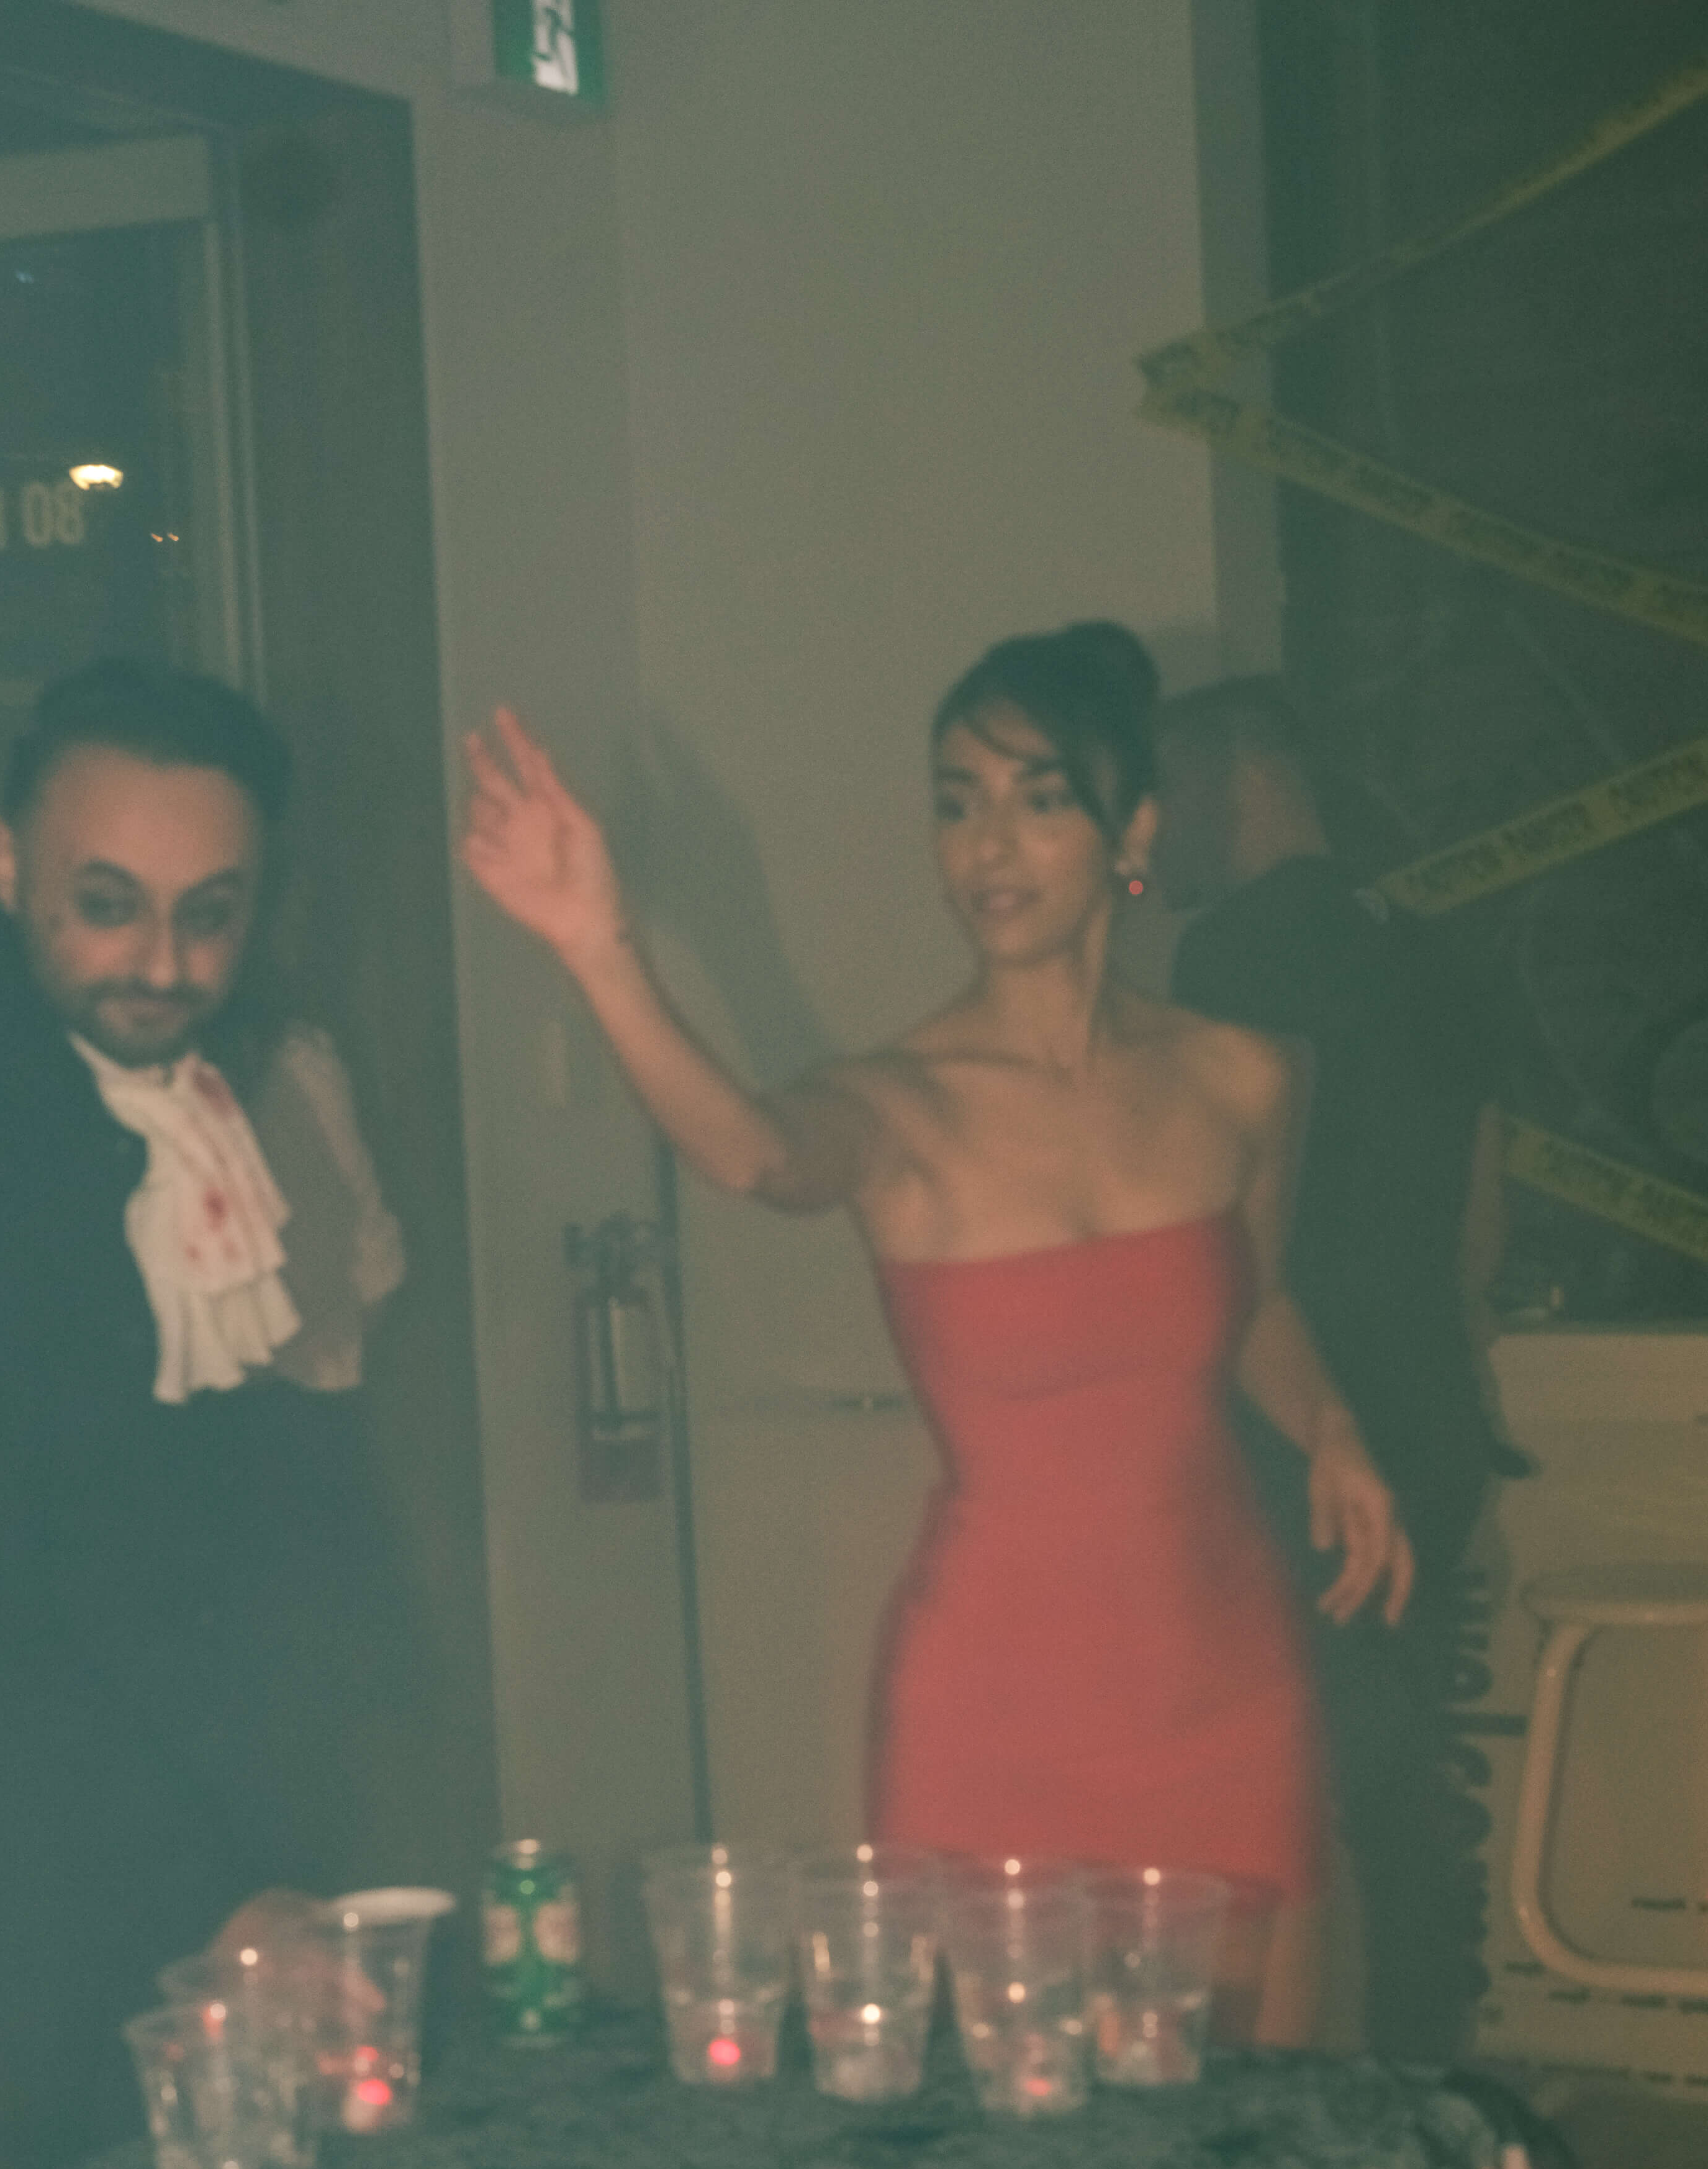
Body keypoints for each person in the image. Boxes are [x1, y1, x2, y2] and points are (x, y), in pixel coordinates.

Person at [461, 622, 1412, 2044]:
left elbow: (1251, 1300)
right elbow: (752, 1153)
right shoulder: (896, 1104)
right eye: (955, 803)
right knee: (1002, 2143)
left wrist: (1329, 1424)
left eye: (1039, 799)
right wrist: (602, 953)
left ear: (1131, 830)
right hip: (992, 1707)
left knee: (1255, 2139)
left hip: (1221, 1679)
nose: (987, 846)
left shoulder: (1242, 1077)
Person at [0, 658, 422, 2169]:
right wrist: (214, 1897)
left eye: (211, 914)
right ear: (4, 863)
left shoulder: (177, 1097)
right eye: (108, 905)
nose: (164, 964)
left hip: (166, 1863)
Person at [1154, 675, 1502, 2059]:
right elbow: (1480, 1213)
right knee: (1398, 1775)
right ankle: (1426, 2071)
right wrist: (1450, 1381)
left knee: (1281, 1772)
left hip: (1296, 1420)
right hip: (1428, 1404)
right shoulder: (1429, 951)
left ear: (1243, 775)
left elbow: (1234, 1229)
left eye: (1171, 786)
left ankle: (1298, 2090)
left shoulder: (1234, 956)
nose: (1150, 827)